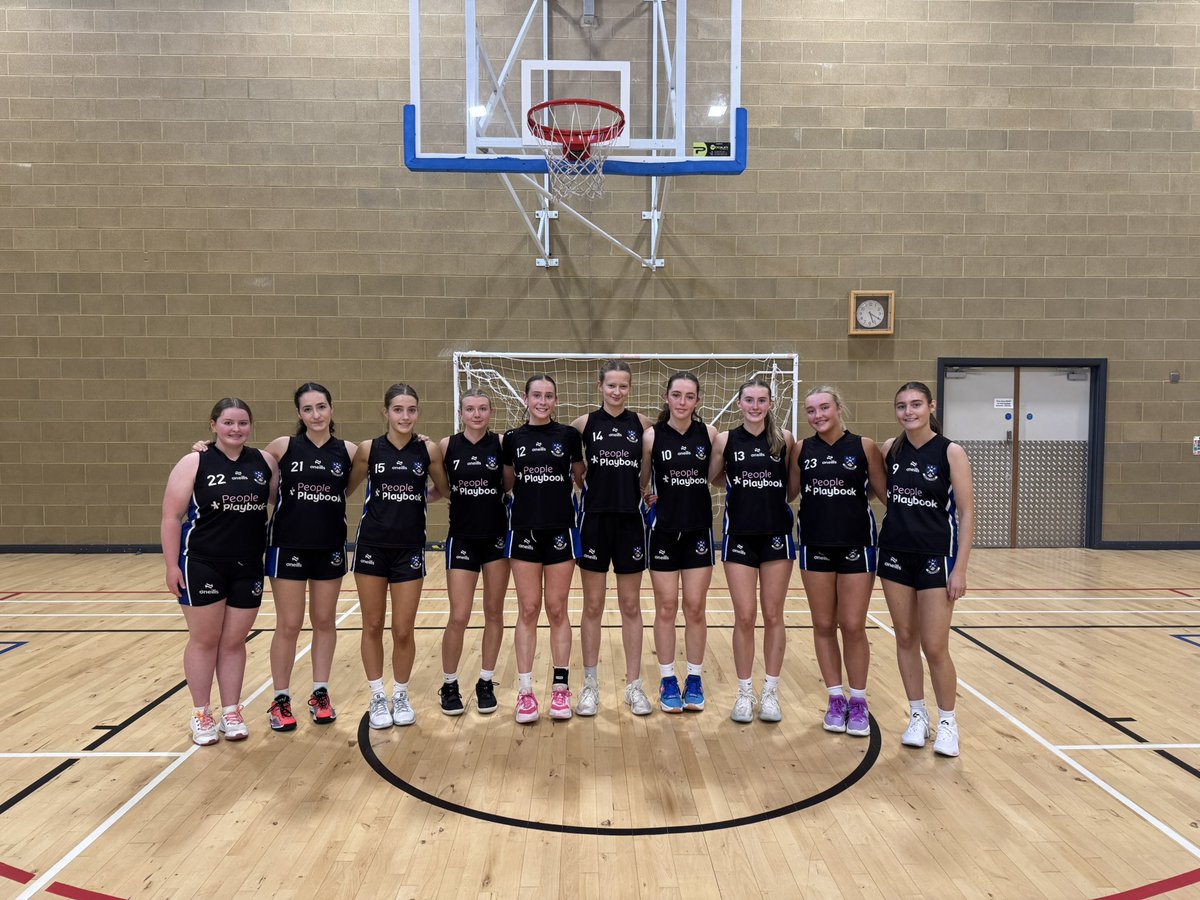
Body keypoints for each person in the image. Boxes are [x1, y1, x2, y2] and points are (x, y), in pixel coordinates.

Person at [194, 383, 358, 733]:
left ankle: (320, 693)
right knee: (289, 623)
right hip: (287, 547)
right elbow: (244, 462)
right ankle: (281, 698)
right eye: (308, 409)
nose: (316, 414)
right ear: (299, 414)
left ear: (331, 409)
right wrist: (206, 448)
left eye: (322, 407)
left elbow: (350, 487)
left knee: (325, 621)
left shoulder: (349, 451)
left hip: (329, 548)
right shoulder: (281, 448)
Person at [162, 399, 279, 746]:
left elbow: (282, 500)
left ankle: (231, 711)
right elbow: (171, 516)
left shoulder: (264, 462)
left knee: (233, 642)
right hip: (201, 562)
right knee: (205, 640)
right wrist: (171, 565)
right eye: (228, 422)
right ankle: (201, 714)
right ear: (213, 425)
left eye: (242, 423)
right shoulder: (195, 461)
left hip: (248, 565)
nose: (236, 429)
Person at [878, 381, 975, 757]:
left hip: (937, 557)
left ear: (930, 406)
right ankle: (918, 715)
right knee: (905, 638)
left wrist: (960, 568)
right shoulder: (890, 450)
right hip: (894, 555)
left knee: (934, 645)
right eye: (901, 406)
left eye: (916, 404)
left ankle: (948, 721)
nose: (908, 412)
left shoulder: (951, 452)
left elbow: (966, 514)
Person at [349, 384, 450, 729]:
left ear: (417, 413)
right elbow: (344, 488)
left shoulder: (429, 450)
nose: (405, 416)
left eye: (411, 410)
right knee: (373, 624)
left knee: (403, 629)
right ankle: (378, 695)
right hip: (371, 547)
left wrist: (423, 500)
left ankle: (401, 694)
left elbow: (445, 489)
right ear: (385, 412)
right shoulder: (368, 450)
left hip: (409, 549)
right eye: (397, 409)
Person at [788, 385, 886, 737]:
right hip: (814, 545)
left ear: (838, 407)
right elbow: (790, 493)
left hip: (857, 545)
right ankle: (834, 698)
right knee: (824, 624)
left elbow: (879, 491)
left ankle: (858, 699)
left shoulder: (864, 447)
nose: (818, 415)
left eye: (824, 407)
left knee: (853, 624)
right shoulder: (802, 449)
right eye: (811, 411)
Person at [709, 379, 796, 724]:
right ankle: (745, 692)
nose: (755, 406)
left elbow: (791, 487)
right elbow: (714, 477)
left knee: (773, 614)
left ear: (771, 403)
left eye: (762, 400)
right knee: (745, 615)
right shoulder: (725, 440)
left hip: (776, 536)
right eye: (749, 400)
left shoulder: (785, 440)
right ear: (740, 404)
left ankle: (770, 692)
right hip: (738, 537)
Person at [572, 361, 655, 717]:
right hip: (593, 522)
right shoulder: (583, 425)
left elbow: (648, 474)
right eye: (611, 386)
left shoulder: (644, 426)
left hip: (630, 524)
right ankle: (590, 686)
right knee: (592, 606)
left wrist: (645, 493)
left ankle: (633, 686)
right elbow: (578, 473)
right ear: (600, 386)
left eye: (623, 386)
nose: (617, 392)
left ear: (630, 388)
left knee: (630, 607)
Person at [502, 374, 585, 724]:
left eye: (549, 395)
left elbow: (580, 478)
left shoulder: (568, 436)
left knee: (556, 608)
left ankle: (561, 688)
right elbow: (507, 482)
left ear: (555, 400)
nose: (542, 401)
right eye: (536, 395)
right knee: (528, 608)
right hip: (523, 532)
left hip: (561, 532)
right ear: (525, 398)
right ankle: (525, 692)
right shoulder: (512, 439)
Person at [641, 372, 717, 713]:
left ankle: (695, 677)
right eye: (677, 395)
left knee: (695, 608)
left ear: (697, 401)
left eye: (689, 396)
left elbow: (717, 477)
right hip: (664, 533)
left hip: (698, 531)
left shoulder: (710, 435)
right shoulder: (652, 436)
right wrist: (647, 496)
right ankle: (668, 678)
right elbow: (642, 482)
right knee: (667, 607)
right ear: (667, 398)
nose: (683, 402)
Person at [434, 389, 510, 716]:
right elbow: (440, 488)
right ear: (461, 412)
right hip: (462, 539)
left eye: (482, 408)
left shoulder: (503, 443)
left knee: (494, 612)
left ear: (490, 412)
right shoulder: (445, 446)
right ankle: (449, 684)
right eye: (470, 409)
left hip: (496, 539)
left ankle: (486, 681)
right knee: (460, 615)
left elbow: (510, 485)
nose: (476, 414)